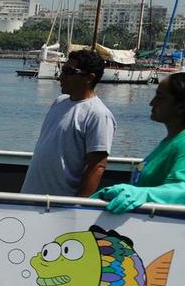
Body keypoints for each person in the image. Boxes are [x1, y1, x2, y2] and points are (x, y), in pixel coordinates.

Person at [94, 72, 185, 212]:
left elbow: (183, 191)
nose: (151, 103)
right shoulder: (171, 141)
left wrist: (141, 194)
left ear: (181, 106)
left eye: (159, 97)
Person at [21, 49, 116, 197]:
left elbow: (97, 166)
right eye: (62, 70)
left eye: (69, 71)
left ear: (89, 78)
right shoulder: (59, 102)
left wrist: (77, 207)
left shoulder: (98, 115)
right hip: (31, 196)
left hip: (59, 204)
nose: (61, 76)